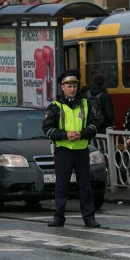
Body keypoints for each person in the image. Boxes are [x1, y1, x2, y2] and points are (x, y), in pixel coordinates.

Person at [42, 69, 101, 228]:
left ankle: (89, 218)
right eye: (69, 86)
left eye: (74, 86)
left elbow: (95, 125)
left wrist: (82, 134)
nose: (72, 89)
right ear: (62, 87)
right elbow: (47, 129)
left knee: (85, 185)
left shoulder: (86, 104)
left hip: (81, 150)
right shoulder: (55, 106)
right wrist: (65, 135)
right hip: (63, 151)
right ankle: (59, 217)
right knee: (61, 186)